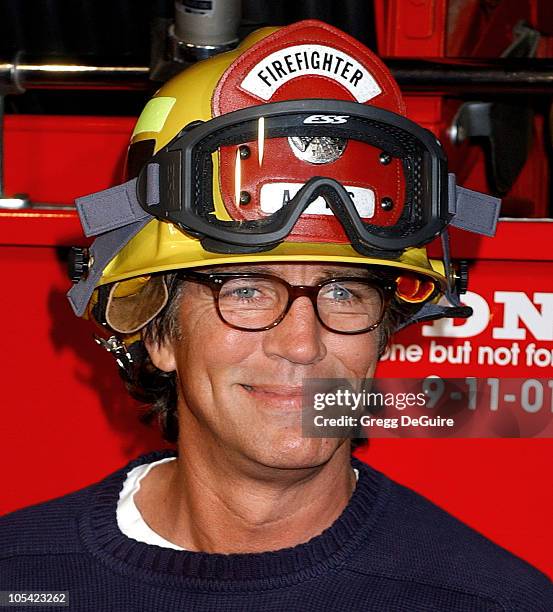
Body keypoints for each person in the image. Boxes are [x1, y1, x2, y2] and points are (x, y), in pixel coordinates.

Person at [1, 19, 551, 611]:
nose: (302, 343)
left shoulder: (491, 600)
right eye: (246, 290)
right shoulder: (21, 577)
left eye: (343, 292)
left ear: (383, 333)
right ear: (158, 331)